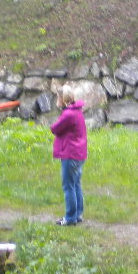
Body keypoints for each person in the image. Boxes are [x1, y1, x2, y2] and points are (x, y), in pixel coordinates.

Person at [50, 85, 87, 226]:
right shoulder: (77, 111)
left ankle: (70, 218)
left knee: (68, 186)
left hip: (70, 153)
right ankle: (77, 214)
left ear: (62, 99)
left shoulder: (68, 114)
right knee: (76, 184)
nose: (56, 100)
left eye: (57, 98)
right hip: (79, 153)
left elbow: (55, 128)